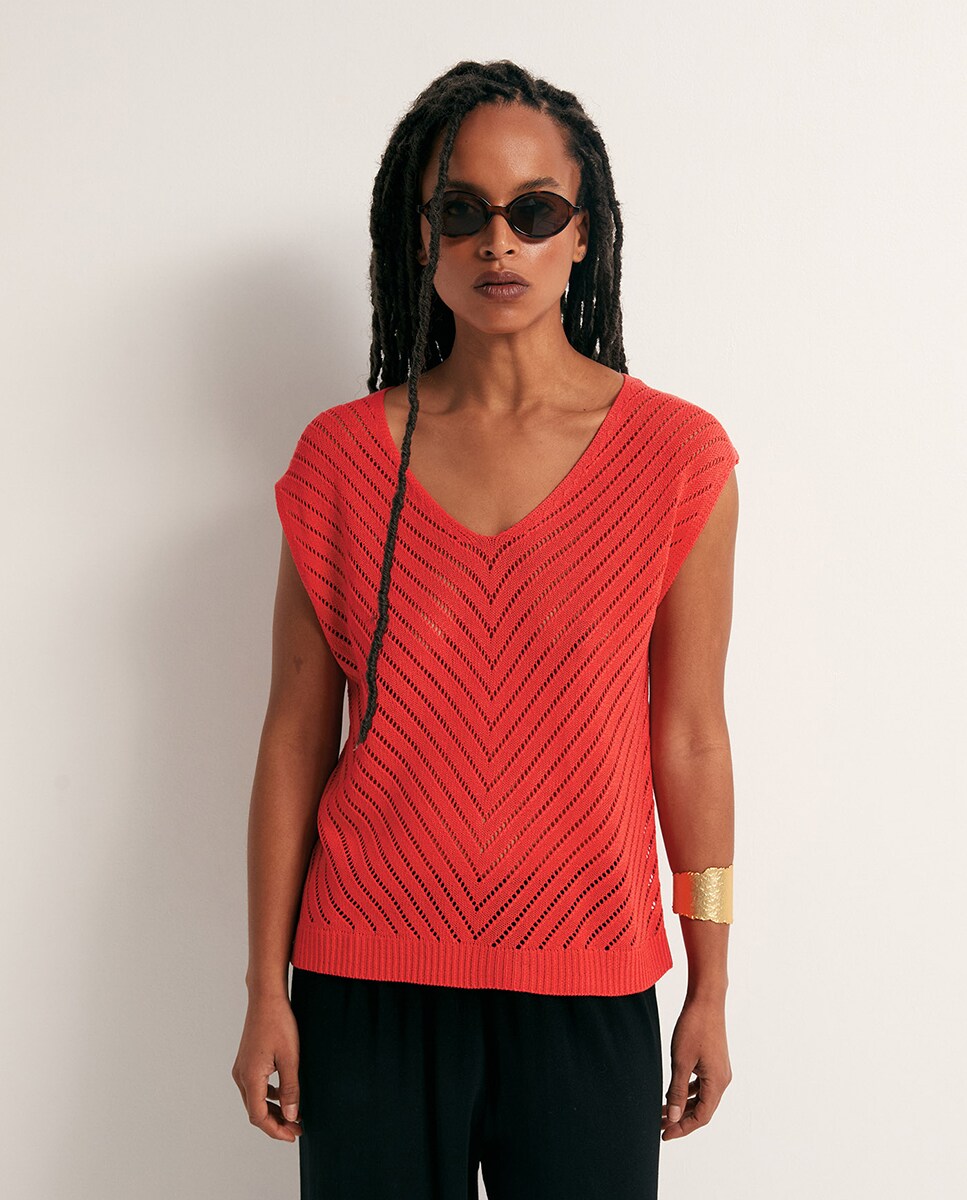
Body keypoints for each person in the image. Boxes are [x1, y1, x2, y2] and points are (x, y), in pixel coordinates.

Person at [232, 59, 739, 1200]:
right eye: (460, 211)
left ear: (584, 233)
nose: (496, 242)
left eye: (534, 211)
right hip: (364, 979)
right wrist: (265, 985)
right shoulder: (341, 459)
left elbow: (692, 738)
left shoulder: (677, 459)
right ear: (420, 237)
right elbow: (294, 738)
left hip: (590, 980)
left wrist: (709, 983)